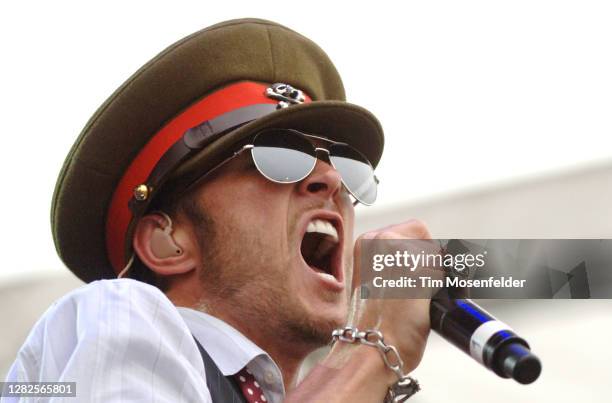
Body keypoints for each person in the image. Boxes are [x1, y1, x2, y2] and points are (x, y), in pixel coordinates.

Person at [5, 18, 437, 402]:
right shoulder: (118, 312)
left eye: (346, 166)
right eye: (279, 158)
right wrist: (367, 353)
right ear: (167, 242)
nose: (330, 180)